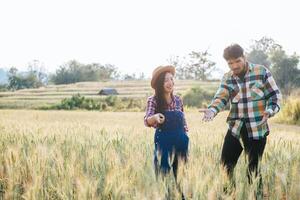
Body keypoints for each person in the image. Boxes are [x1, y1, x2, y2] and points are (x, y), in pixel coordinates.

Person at [200, 44, 281, 192]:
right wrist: (212, 110)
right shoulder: (227, 78)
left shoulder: (261, 72)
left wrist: (270, 110)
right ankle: (229, 196)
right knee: (225, 167)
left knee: (253, 170)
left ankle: (256, 196)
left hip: (257, 128)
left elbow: (275, 95)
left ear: (244, 57)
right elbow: (221, 97)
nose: (234, 66)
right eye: (230, 63)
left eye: (237, 61)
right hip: (235, 128)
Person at [144, 65, 189, 181]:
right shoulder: (153, 100)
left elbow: (182, 119)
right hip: (164, 140)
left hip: (181, 139)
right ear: (159, 83)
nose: (170, 83)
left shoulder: (178, 100)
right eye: (165, 80)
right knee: (163, 171)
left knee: (181, 172)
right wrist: (155, 117)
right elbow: (147, 120)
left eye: (172, 79)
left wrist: (185, 135)